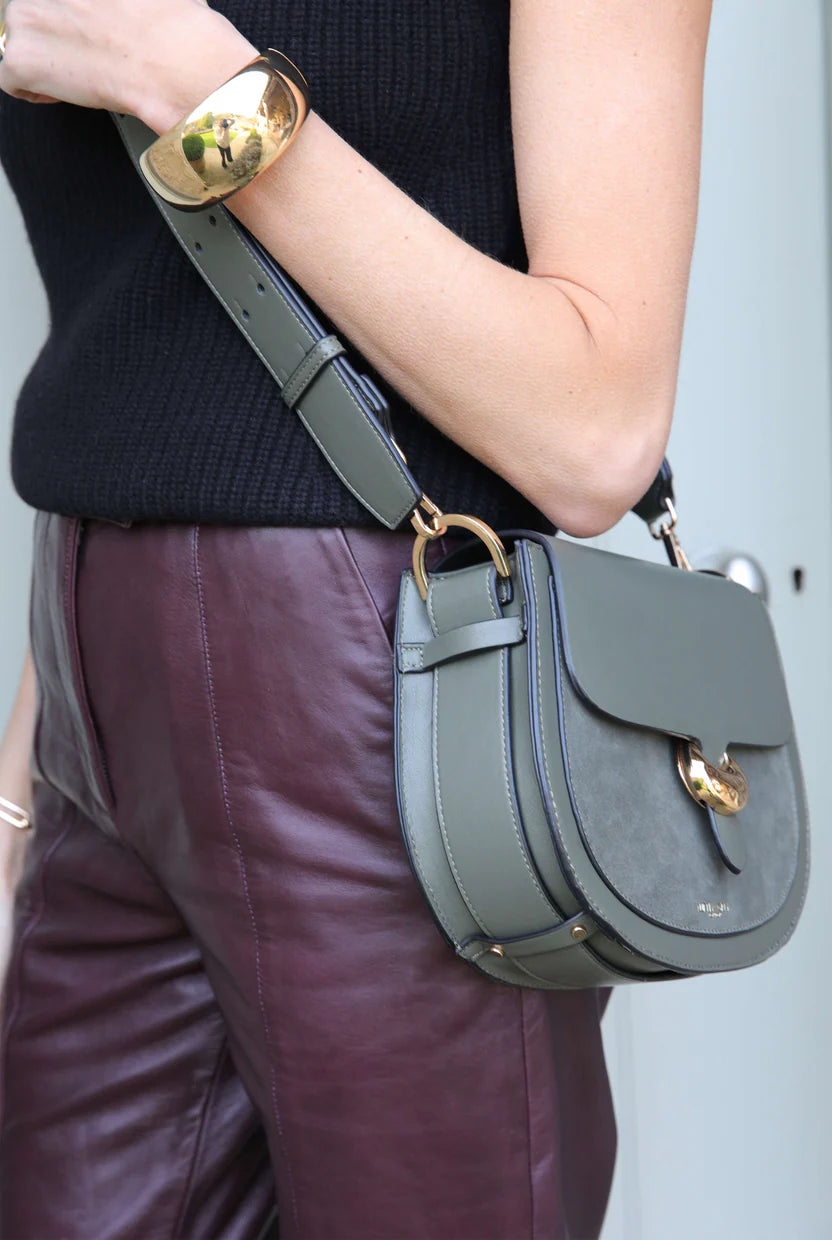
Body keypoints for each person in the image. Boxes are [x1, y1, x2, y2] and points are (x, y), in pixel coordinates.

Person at [0, 0, 713, 1236]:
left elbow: (597, 430)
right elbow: (143, 357)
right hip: (98, 706)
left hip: (389, 705)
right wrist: (28, 784)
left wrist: (195, 84)